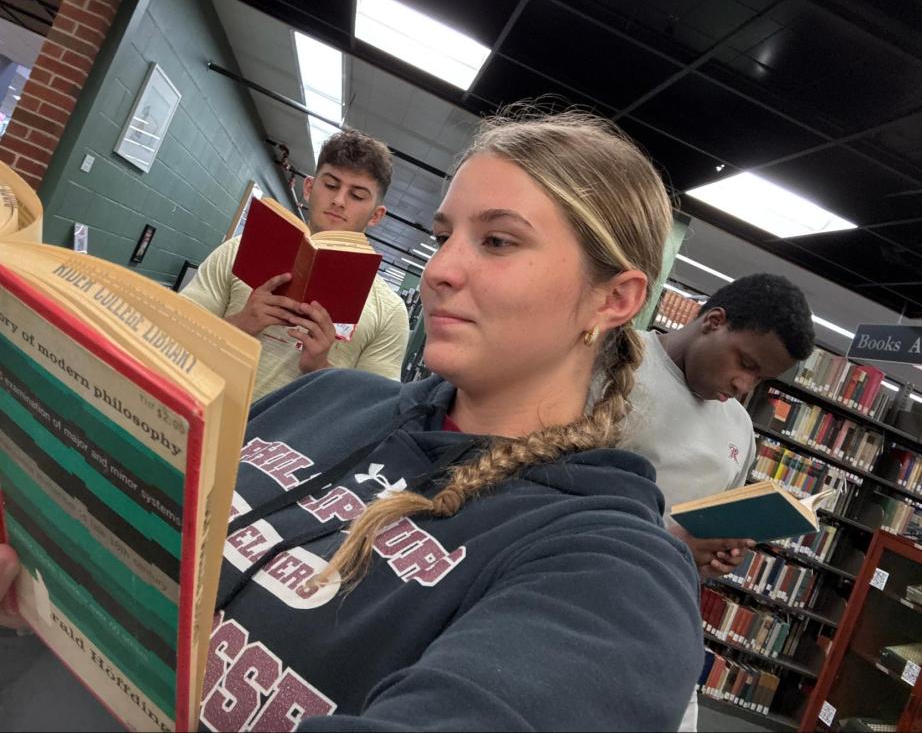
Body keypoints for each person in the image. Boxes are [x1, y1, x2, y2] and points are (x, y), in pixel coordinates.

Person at [0, 108, 704, 731]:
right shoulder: (325, 400)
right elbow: (126, 535)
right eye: (444, 235)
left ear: (613, 299)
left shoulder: (614, 571)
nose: (440, 270)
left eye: (496, 242)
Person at [614, 273, 815, 731]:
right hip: (577, 596)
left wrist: (715, 553)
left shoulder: (740, 429)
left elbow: (708, 522)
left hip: (666, 616)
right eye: (745, 362)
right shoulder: (615, 363)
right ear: (713, 321)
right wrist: (668, 541)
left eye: (760, 377)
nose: (745, 384)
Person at [182, 129, 410, 401]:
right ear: (309, 188)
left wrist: (320, 368)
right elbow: (173, 335)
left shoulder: (389, 310)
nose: (339, 201)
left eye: (357, 196)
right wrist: (243, 323)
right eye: (331, 185)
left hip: (289, 442)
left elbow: (371, 411)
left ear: (376, 215)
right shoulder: (239, 250)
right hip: (202, 413)